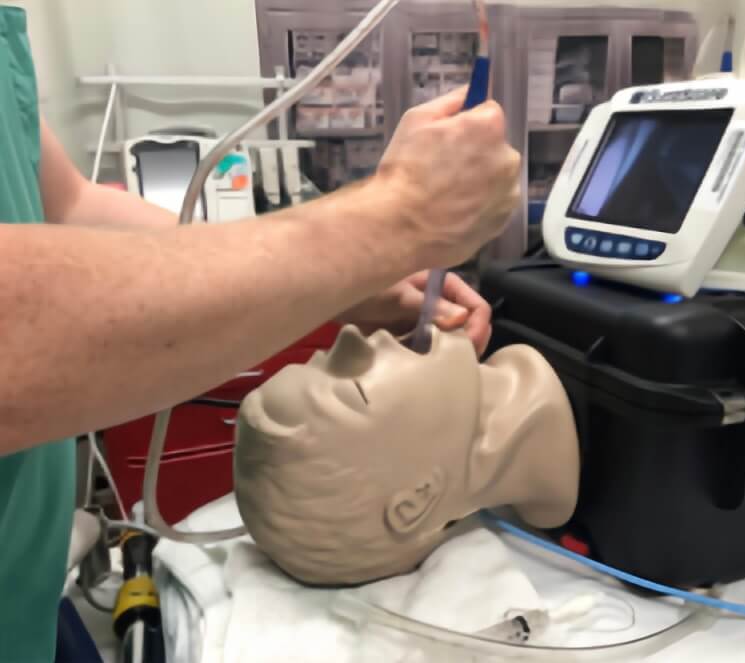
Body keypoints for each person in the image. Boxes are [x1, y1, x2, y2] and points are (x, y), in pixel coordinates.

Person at [0, 7, 520, 662]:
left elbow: (70, 207)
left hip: (27, 598)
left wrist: (348, 286)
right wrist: (389, 223)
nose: (351, 348)